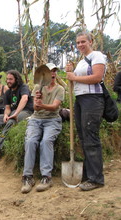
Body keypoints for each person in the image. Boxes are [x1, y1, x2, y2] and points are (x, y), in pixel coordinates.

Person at [66, 31, 106, 191]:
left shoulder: (97, 56)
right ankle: (89, 174)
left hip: (93, 99)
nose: (80, 45)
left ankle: (96, 179)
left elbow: (97, 77)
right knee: (83, 137)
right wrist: (71, 72)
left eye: (83, 41)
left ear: (91, 41)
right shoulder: (82, 61)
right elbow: (76, 79)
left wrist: (74, 77)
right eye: (78, 43)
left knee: (91, 137)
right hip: (81, 100)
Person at [21, 63, 65, 193]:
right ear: (43, 74)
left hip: (52, 120)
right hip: (36, 120)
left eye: (54, 71)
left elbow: (55, 107)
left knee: (46, 141)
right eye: (49, 71)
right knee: (30, 141)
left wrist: (42, 105)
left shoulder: (60, 89)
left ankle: (46, 177)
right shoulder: (37, 87)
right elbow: (35, 108)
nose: (52, 74)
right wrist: (37, 103)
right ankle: (27, 177)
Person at [0, 70, 33, 162]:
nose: (8, 81)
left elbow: (24, 99)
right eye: (7, 79)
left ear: (17, 79)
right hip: (13, 112)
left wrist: (15, 114)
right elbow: (7, 108)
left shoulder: (23, 87)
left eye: (11, 79)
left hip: (26, 111)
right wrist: (5, 115)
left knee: (11, 122)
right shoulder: (8, 92)